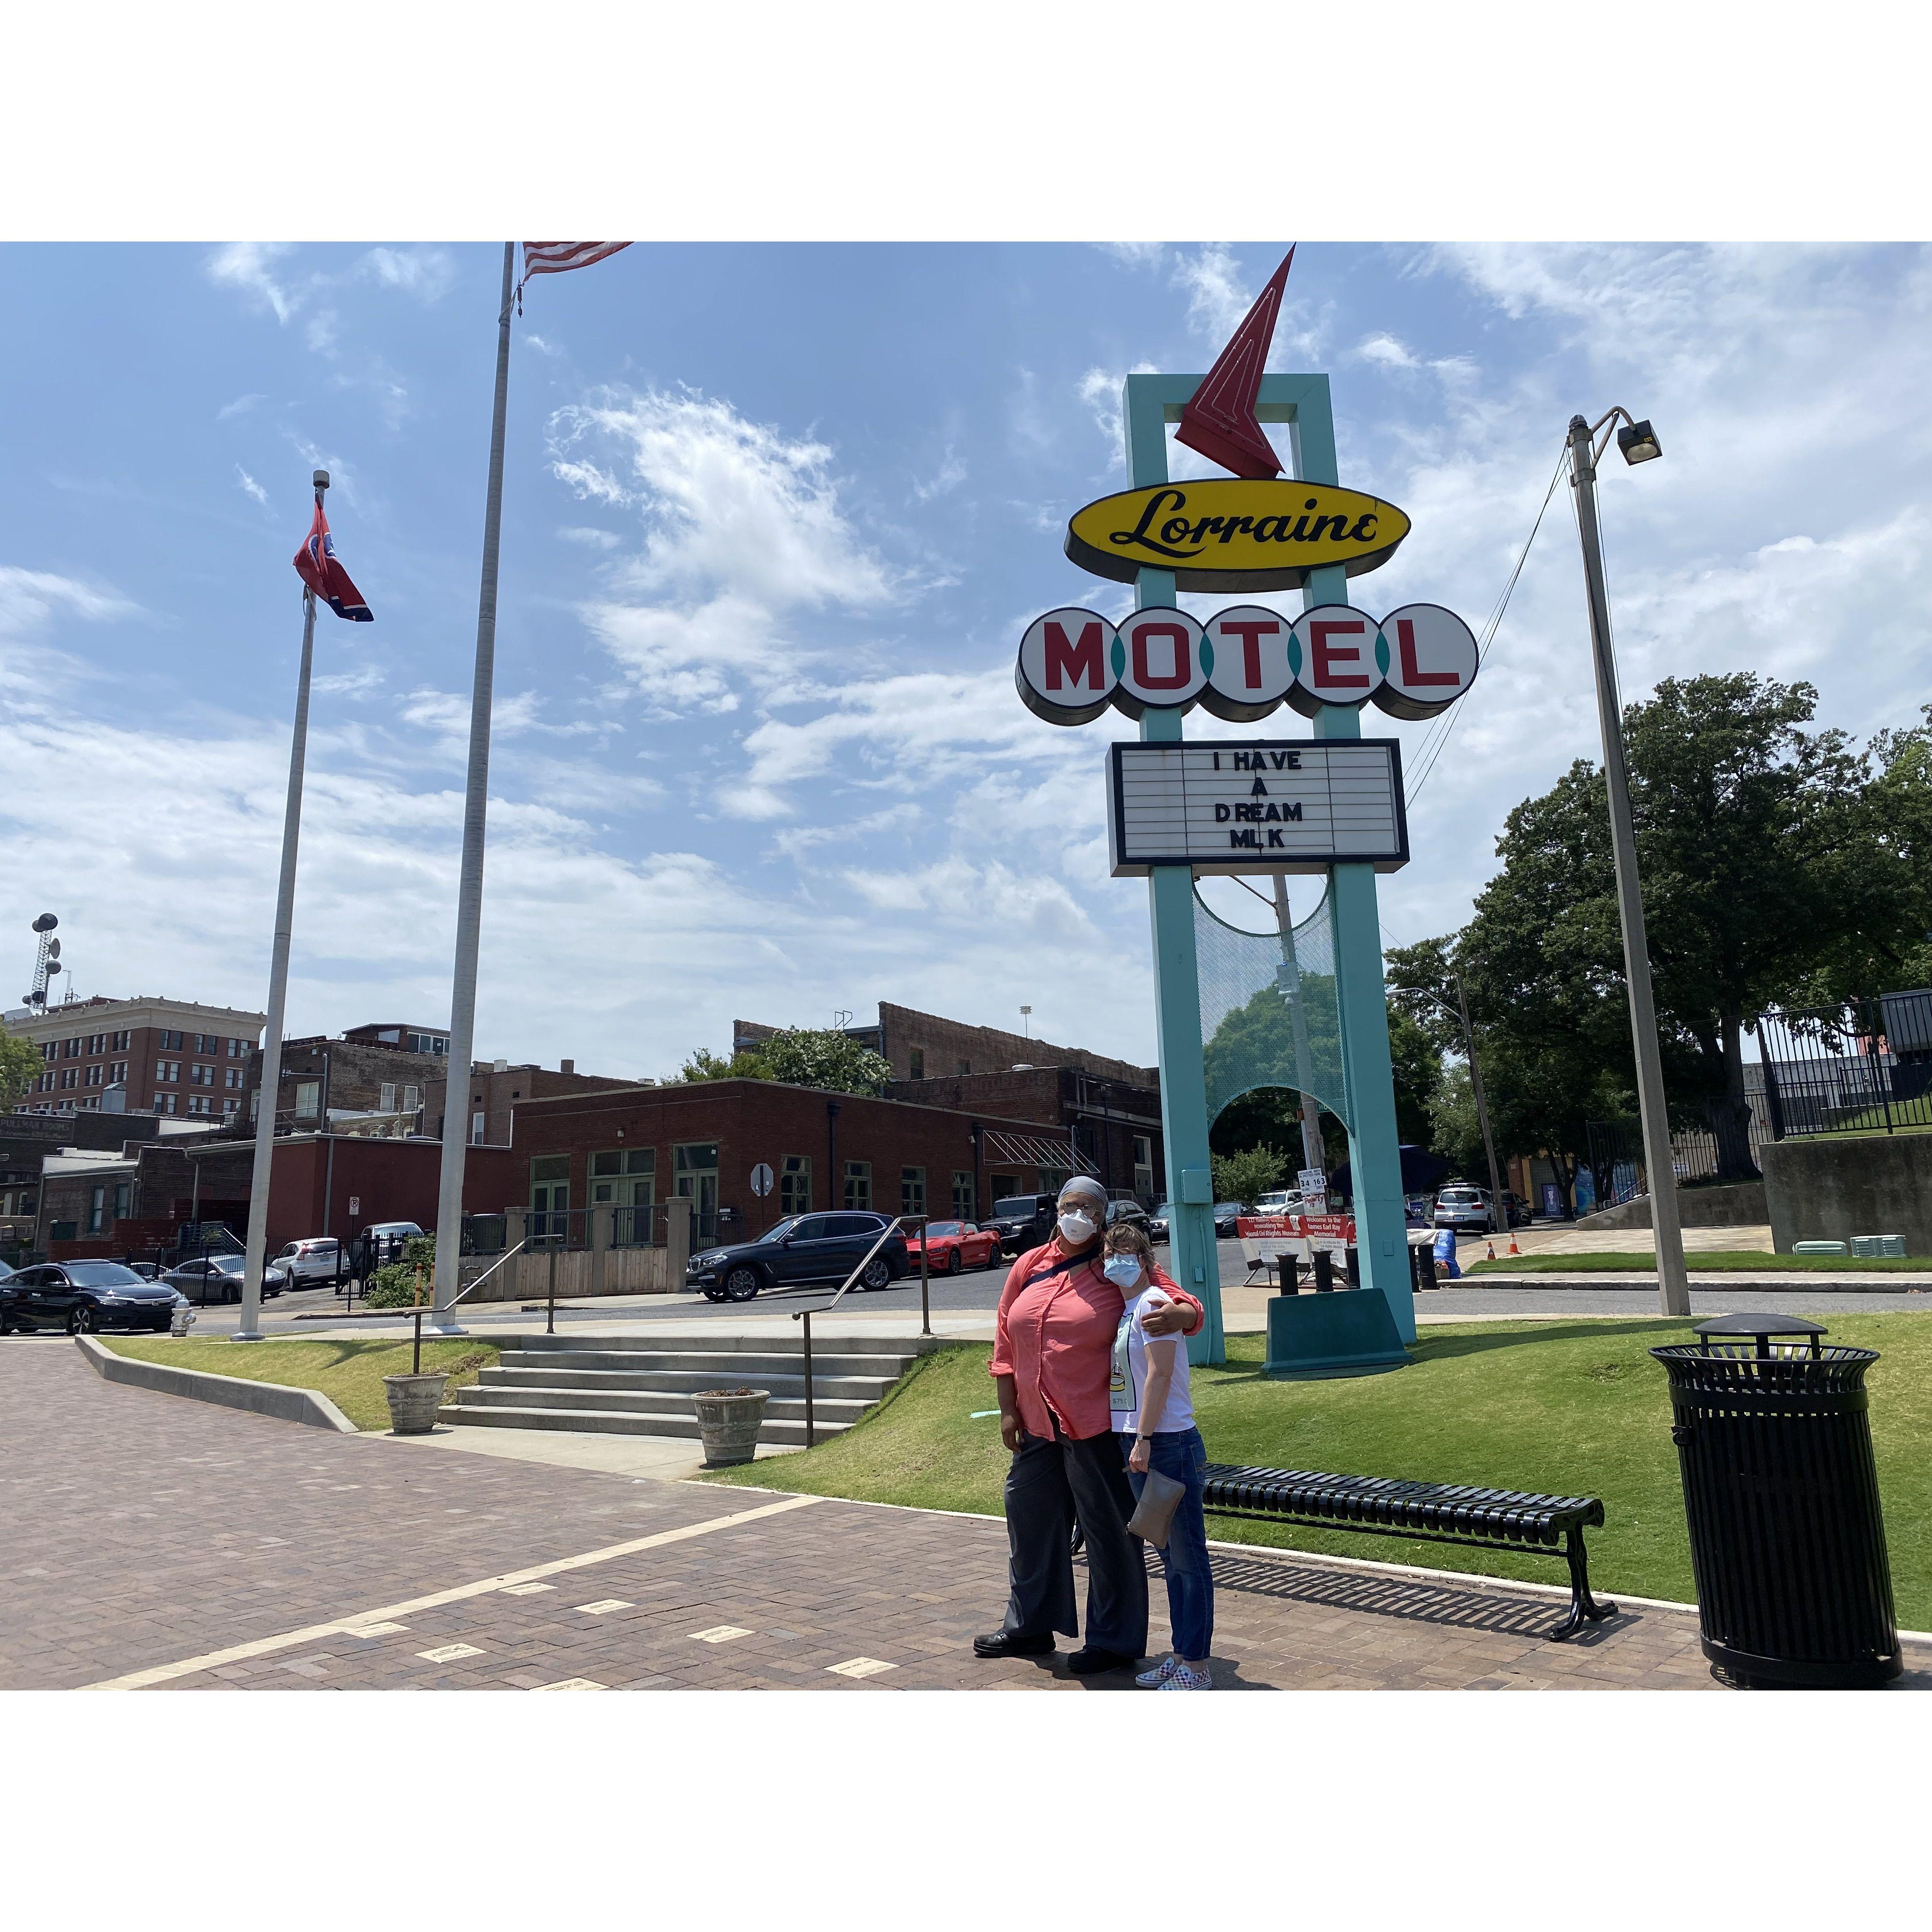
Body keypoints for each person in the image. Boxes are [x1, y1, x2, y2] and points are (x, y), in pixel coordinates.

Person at [975, 1176, 1204, 1675]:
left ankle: (1114, 1640)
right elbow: (1004, 1339)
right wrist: (1008, 1407)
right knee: (1029, 1520)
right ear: (1055, 1210)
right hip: (1037, 1421)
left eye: (1089, 1209)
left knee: (1108, 1532)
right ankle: (1029, 1625)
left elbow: (1179, 1302)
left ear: (1102, 1216)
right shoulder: (1029, 1265)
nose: (1078, 1215)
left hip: (1094, 1424)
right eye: (1069, 1206)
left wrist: (1184, 1314)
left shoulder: (1114, 1263)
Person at [1104, 1220, 1214, 1691]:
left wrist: (1144, 1438)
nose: (1117, 1260)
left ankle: (1197, 1666)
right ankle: (1180, 1652)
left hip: (1166, 1443)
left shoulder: (1153, 1303)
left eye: (1127, 1252)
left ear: (1148, 1260)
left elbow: (1160, 1376)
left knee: (1188, 1560)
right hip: (1138, 1441)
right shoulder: (1128, 1308)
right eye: (1111, 1252)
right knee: (1169, 1558)